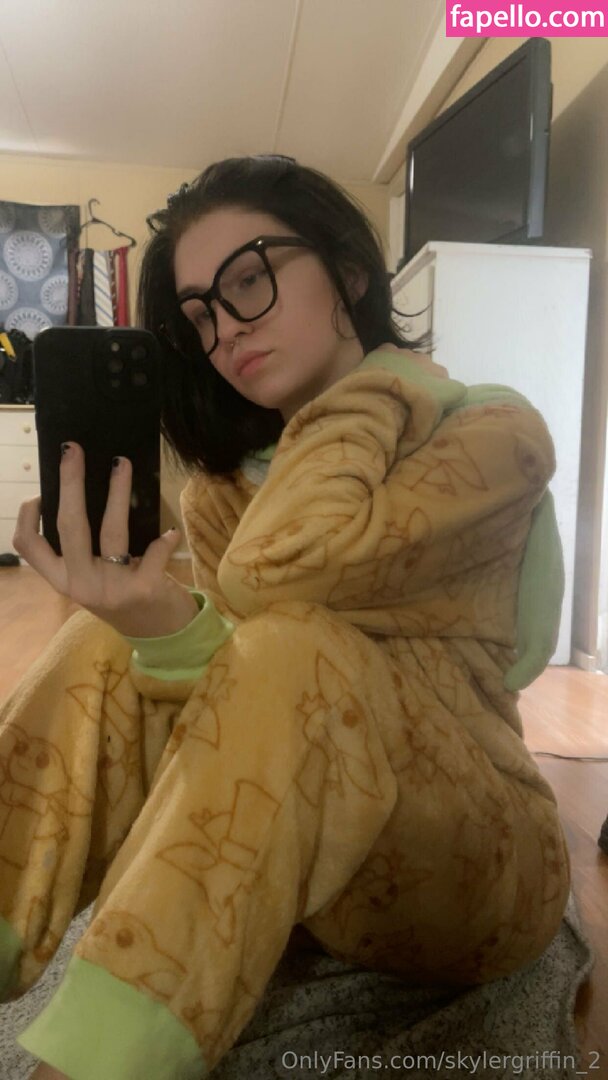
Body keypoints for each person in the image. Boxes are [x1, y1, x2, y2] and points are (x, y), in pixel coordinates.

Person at [0, 155, 570, 1080]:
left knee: (293, 646)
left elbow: (282, 580)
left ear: (347, 269)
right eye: (199, 315)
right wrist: (159, 628)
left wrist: (379, 383)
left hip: (480, 867)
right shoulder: (224, 492)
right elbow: (241, 699)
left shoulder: (489, 434)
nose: (224, 330)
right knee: (102, 640)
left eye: (248, 280)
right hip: (318, 877)